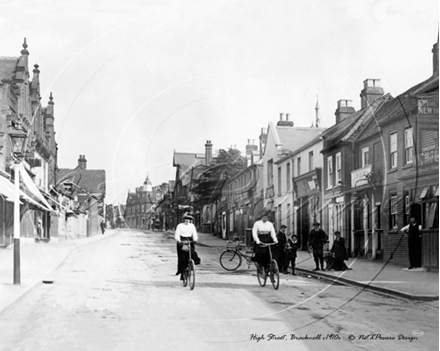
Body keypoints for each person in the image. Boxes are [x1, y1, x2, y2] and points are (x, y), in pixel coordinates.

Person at [175, 214, 201, 280]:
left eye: (188, 220)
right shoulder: (180, 226)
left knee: (191, 252)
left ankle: (193, 263)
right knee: (182, 257)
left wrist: (195, 240)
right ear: (184, 220)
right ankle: (182, 272)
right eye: (186, 220)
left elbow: (194, 234)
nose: (187, 221)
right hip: (182, 241)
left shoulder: (192, 226)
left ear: (190, 221)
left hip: (189, 240)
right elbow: (177, 234)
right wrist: (178, 240)